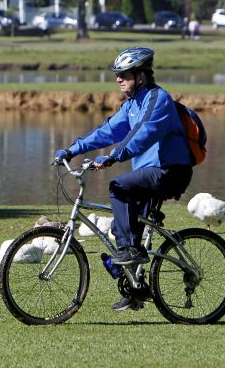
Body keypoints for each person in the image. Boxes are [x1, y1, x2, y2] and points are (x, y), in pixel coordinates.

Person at [53, 47, 194, 312]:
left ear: (141, 76)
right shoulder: (131, 105)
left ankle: (132, 252)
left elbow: (143, 133)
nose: (118, 79)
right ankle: (136, 288)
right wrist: (72, 150)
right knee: (123, 229)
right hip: (150, 174)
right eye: (117, 74)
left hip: (170, 170)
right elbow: (107, 131)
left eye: (124, 74)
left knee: (118, 186)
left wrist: (113, 156)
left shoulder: (157, 99)